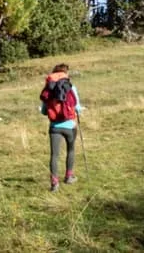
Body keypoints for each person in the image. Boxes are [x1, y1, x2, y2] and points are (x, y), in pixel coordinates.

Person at [39, 63, 83, 192]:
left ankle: (54, 183)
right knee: (70, 150)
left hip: (54, 127)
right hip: (70, 126)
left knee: (54, 155)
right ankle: (69, 176)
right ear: (65, 73)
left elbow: (43, 111)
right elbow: (78, 107)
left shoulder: (49, 89)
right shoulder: (70, 87)